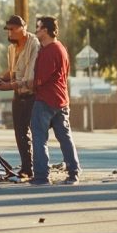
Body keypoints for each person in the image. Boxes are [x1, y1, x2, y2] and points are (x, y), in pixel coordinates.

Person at [28, 16, 81, 185]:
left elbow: (40, 79)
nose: (35, 31)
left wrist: (24, 84)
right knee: (65, 137)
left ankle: (42, 176)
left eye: (38, 27)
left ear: (45, 30)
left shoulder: (49, 50)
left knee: (39, 137)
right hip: (61, 100)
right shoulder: (61, 49)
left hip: (45, 100)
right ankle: (74, 172)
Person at [0, 15, 40, 178]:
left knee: (37, 133)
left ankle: (39, 167)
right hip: (18, 96)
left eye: (13, 29)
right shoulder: (11, 49)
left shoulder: (34, 44)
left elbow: (30, 77)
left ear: (23, 28)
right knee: (20, 133)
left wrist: (8, 86)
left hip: (33, 95)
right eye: (8, 29)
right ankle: (27, 168)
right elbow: (11, 71)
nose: (10, 33)